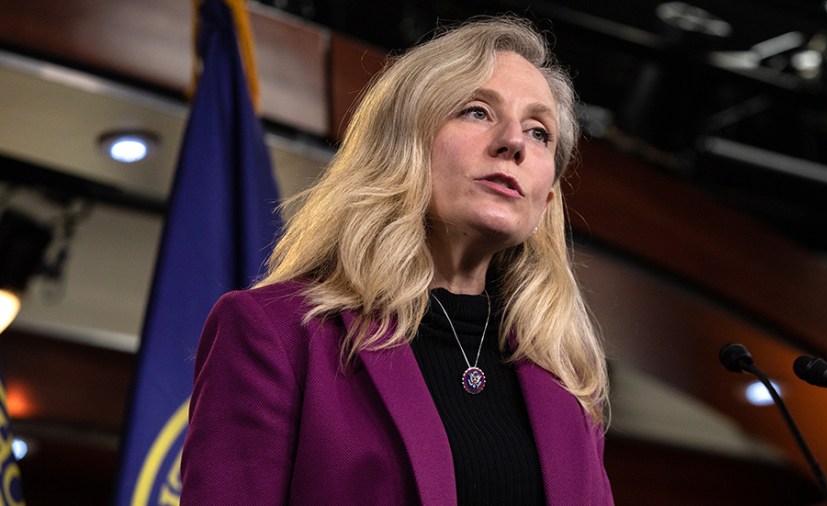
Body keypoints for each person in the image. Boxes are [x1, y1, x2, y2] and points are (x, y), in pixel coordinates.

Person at [180, 16, 613, 505]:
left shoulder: (571, 384)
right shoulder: (277, 334)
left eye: (539, 132)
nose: (513, 141)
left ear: (547, 201)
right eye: (476, 111)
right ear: (401, 147)